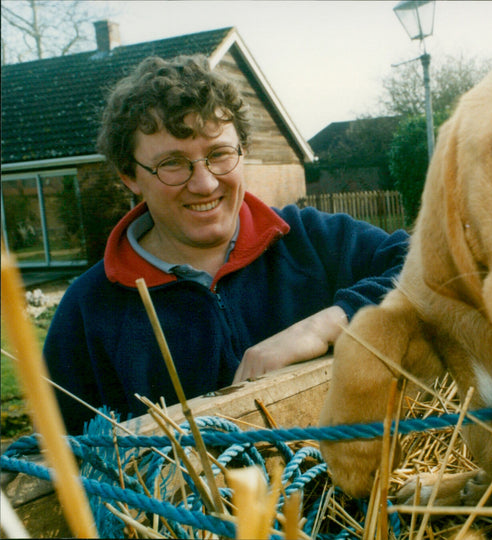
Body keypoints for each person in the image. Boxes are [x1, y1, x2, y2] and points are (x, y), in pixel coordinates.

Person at [44, 55, 409, 435]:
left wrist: (326, 325)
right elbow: (59, 467)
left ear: (243, 151)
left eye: (219, 154)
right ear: (130, 176)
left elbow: (434, 266)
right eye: (172, 163)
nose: (204, 184)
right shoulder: (87, 312)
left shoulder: (313, 241)